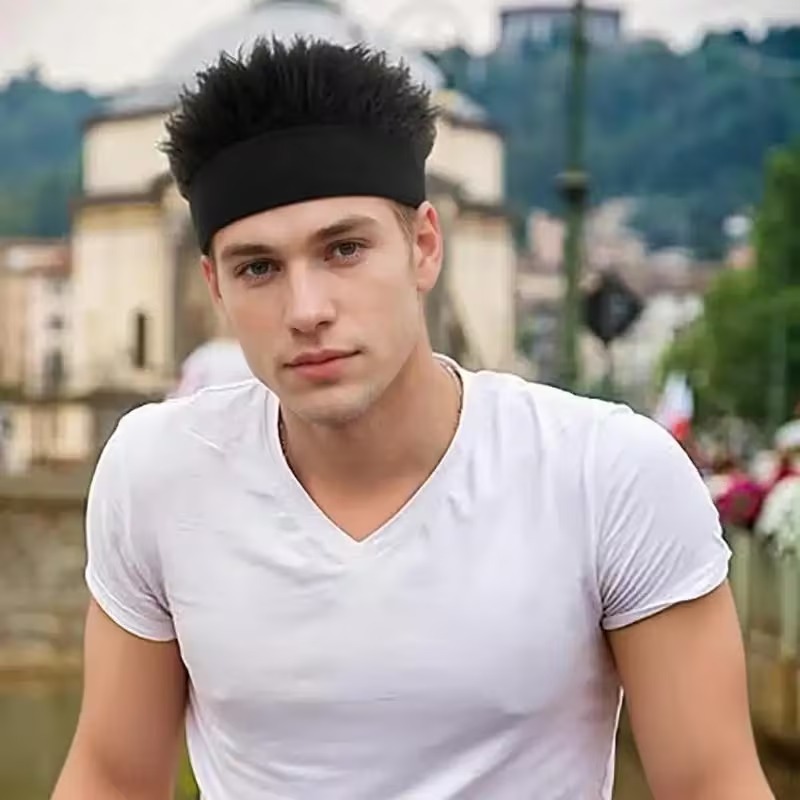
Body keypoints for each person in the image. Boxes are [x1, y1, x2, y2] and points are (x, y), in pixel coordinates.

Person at [53, 39, 772, 799]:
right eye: (258, 267)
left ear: (424, 247)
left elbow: (712, 782)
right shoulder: (159, 471)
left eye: (344, 249)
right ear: (216, 286)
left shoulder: (608, 472)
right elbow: (111, 776)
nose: (306, 310)